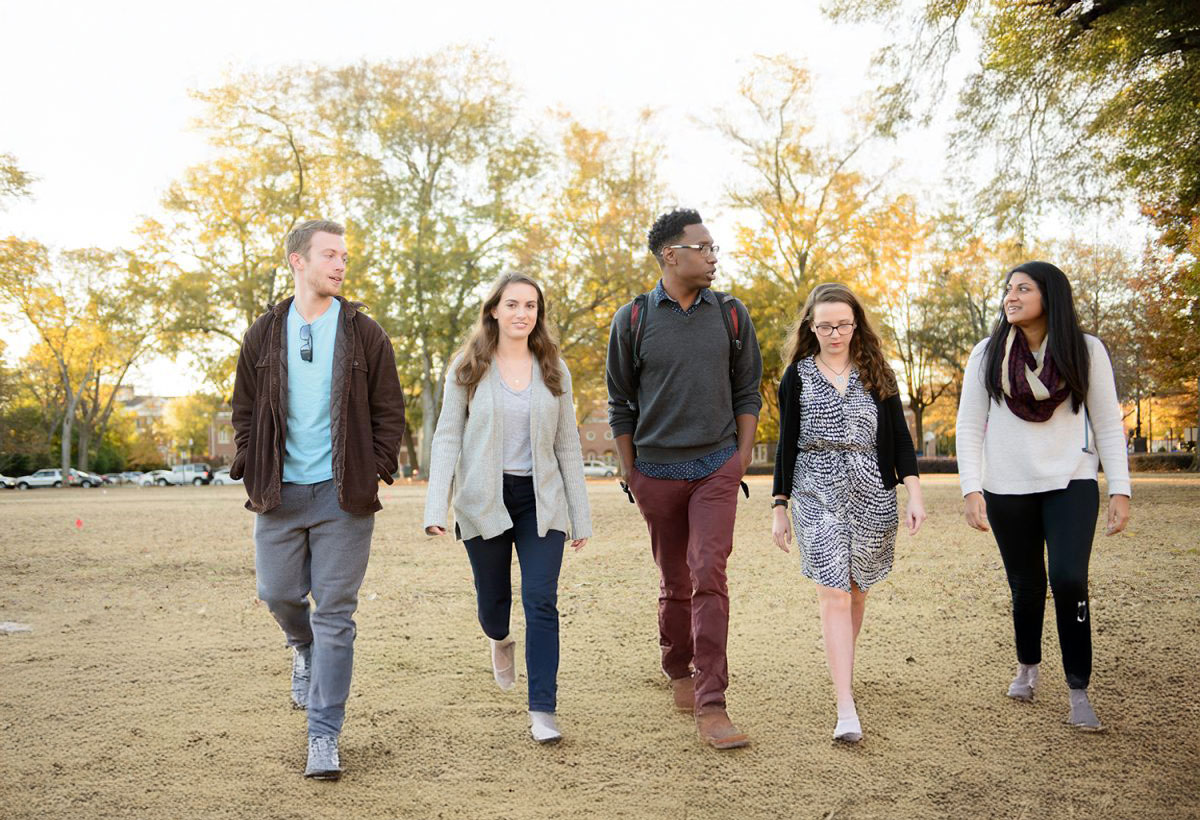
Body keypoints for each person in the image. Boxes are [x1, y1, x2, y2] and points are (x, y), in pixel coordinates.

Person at [230, 219, 405, 779]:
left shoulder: (364, 333)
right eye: (329, 255)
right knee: (277, 593)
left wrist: (373, 470)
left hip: (342, 497)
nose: (340, 265)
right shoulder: (263, 332)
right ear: (296, 262)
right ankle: (298, 644)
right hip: (278, 495)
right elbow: (242, 410)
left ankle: (323, 736)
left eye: (345, 257)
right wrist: (248, 464)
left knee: (337, 616)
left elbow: (389, 412)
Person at [606, 208, 763, 750]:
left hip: (716, 467)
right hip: (654, 471)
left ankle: (712, 701)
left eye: (714, 247)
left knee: (708, 571)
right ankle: (678, 666)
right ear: (670, 255)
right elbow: (620, 402)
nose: (713, 255)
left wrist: (739, 458)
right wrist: (632, 470)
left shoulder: (732, 315)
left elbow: (748, 392)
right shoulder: (633, 319)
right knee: (675, 580)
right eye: (703, 247)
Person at [956, 261, 1130, 731]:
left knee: (1069, 578)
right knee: (1026, 586)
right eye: (1008, 289)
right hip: (1007, 486)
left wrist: (1121, 487)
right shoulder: (986, 354)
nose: (1011, 296)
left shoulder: (1085, 350)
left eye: (1023, 288)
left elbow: (1108, 422)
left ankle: (1078, 689)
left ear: (1049, 296)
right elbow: (969, 425)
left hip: (1072, 480)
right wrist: (971, 487)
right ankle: (1027, 666)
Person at [424, 272, 591, 744]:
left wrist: (580, 515)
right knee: (493, 607)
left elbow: (568, 447)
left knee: (541, 600)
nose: (522, 313)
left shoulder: (554, 368)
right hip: (484, 501)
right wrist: (437, 505)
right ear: (494, 309)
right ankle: (499, 640)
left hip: (542, 502)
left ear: (539, 314)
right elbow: (447, 437)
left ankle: (543, 710)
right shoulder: (468, 366)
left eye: (531, 306)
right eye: (513, 304)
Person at [770, 283, 925, 743]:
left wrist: (914, 494)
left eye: (842, 324)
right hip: (815, 489)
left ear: (855, 325)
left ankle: (844, 668)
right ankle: (845, 706)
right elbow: (786, 446)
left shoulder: (879, 372)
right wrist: (780, 506)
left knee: (857, 590)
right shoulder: (796, 377)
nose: (834, 333)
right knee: (833, 590)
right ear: (811, 327)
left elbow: (899, 439)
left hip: (872, 489)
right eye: (824, 325)